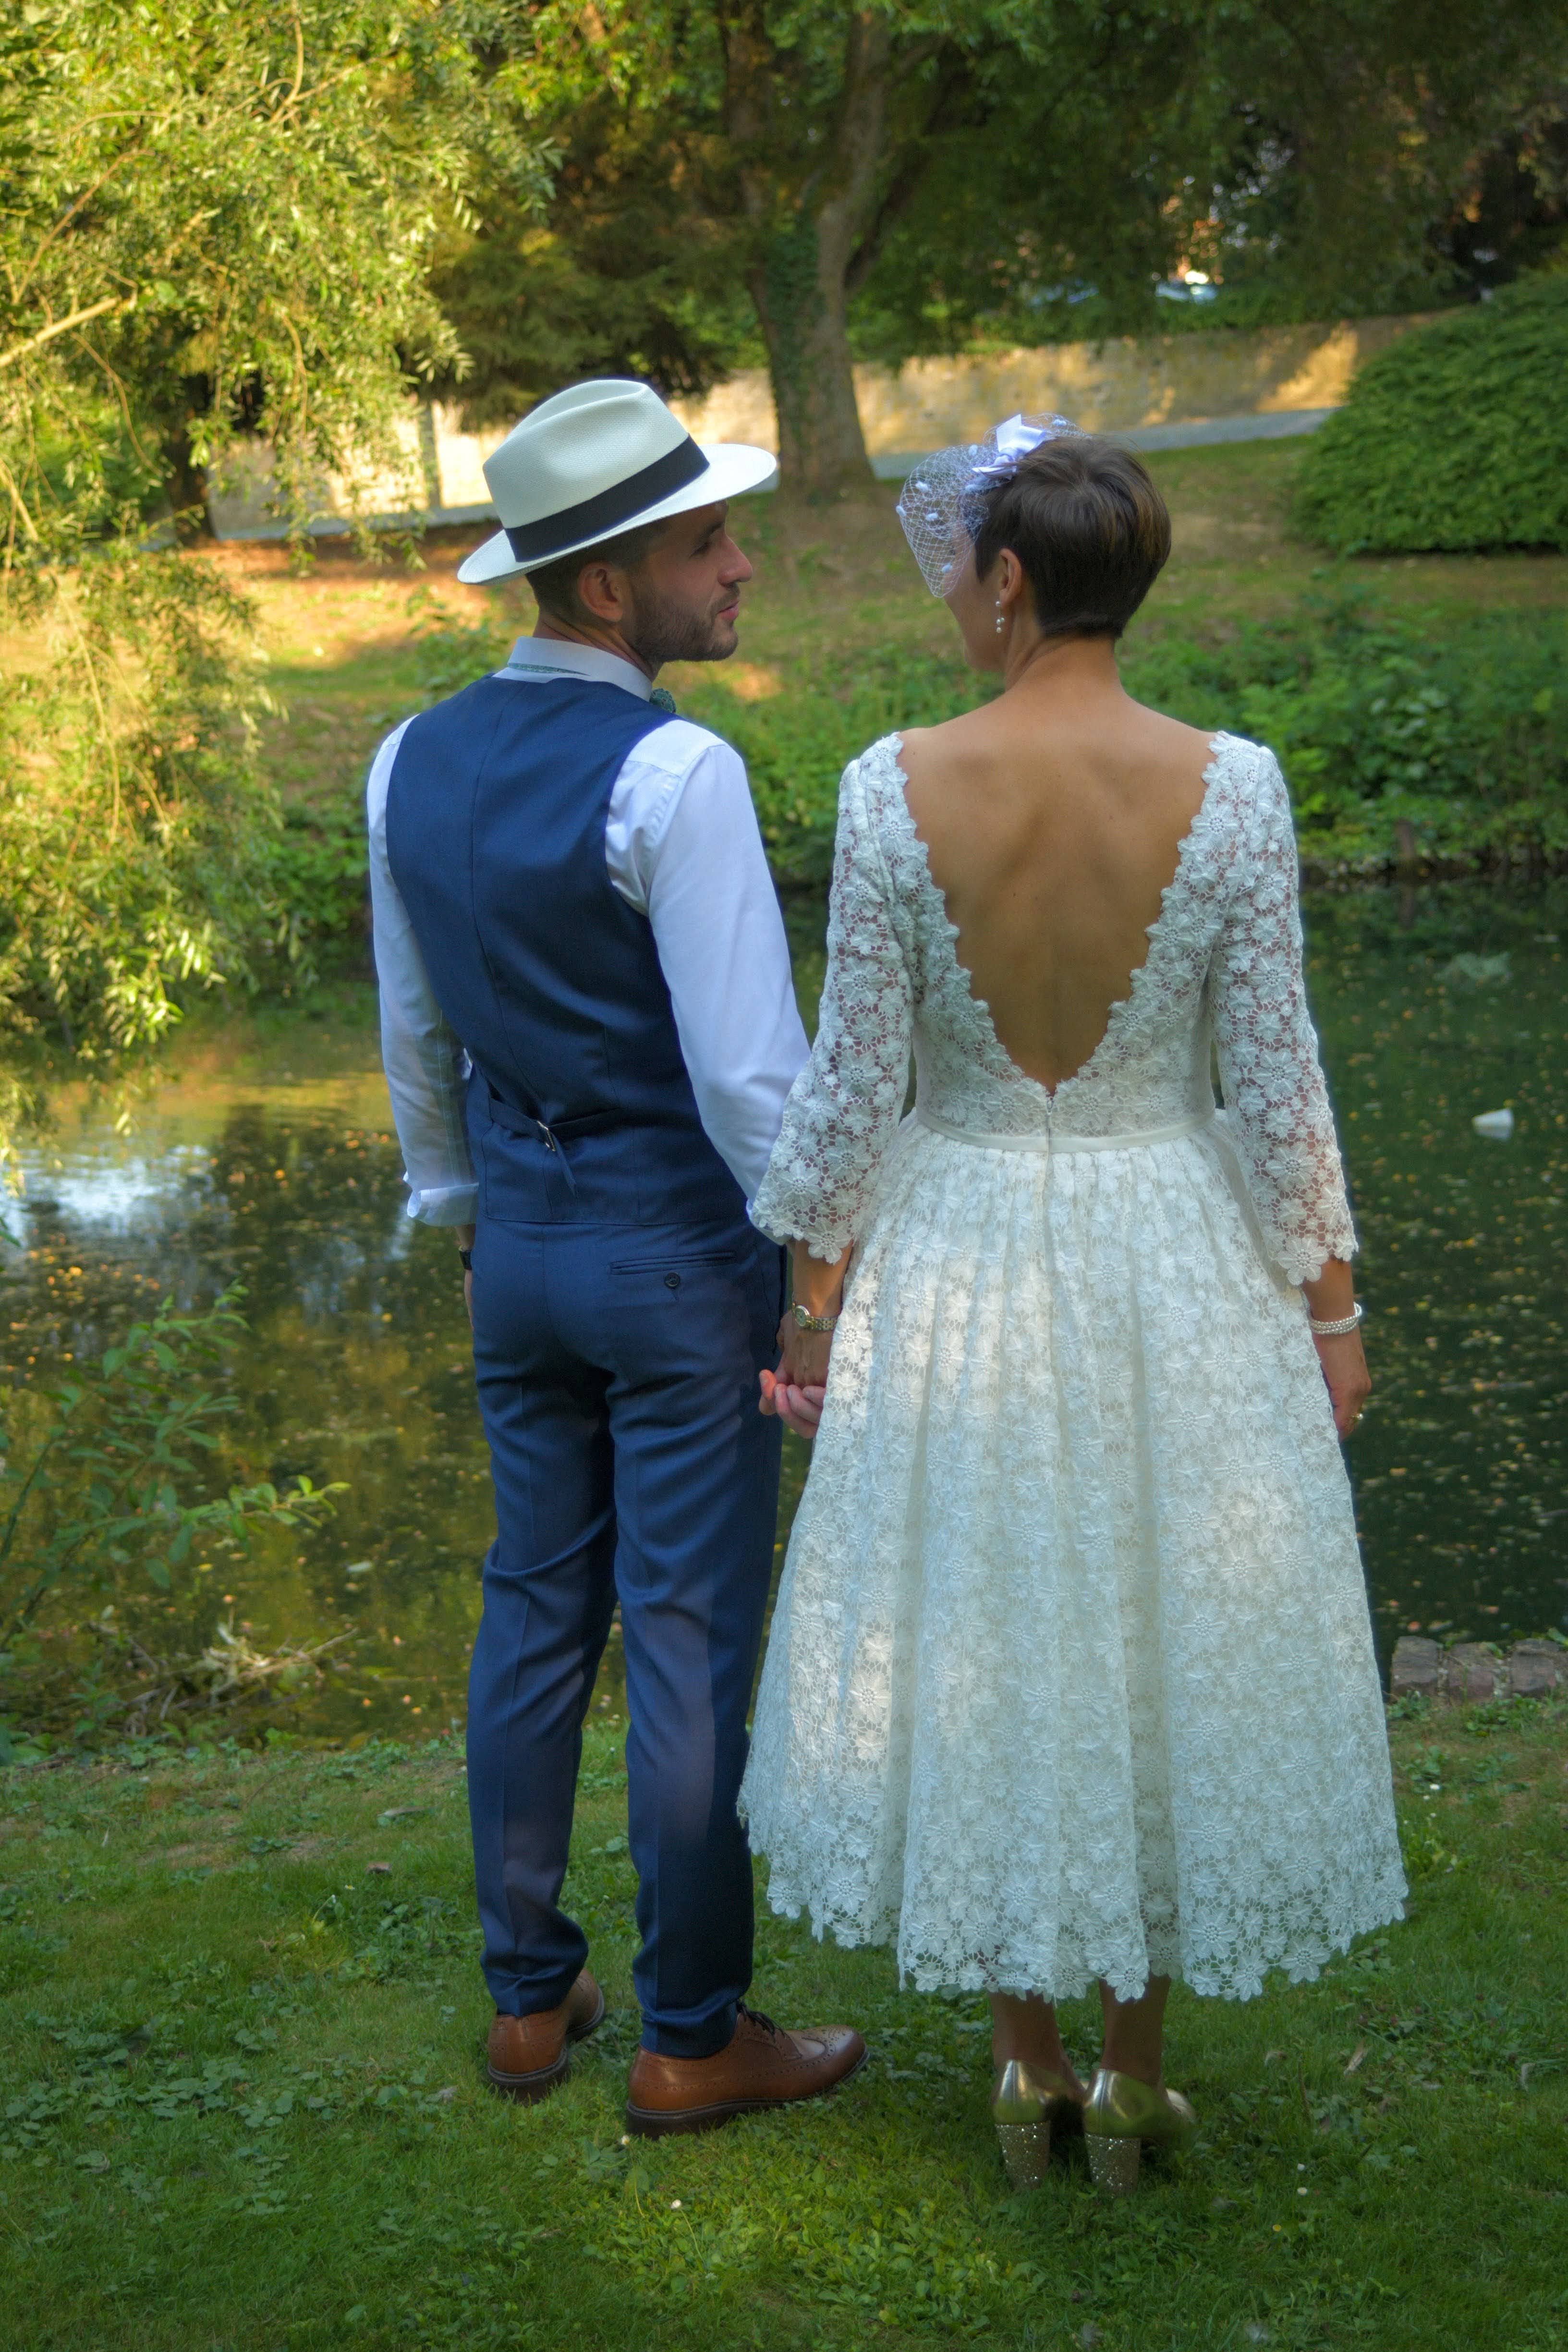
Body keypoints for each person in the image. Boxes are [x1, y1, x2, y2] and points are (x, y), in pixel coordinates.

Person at [743, 417, 1406, 2195]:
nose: (956, 594)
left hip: (953, 1244)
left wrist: (809, 1309)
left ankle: (1018, 2056)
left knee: (1000, 1623)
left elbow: (848, 1090)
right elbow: (1277, 1087)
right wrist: (1328, 1312)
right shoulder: (1238, 785)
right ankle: (1131, 2070)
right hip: (1170, 1250)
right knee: (1153, 1628)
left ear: (1014, 578)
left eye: (967, 565)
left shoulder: (891, 784)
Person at [367, 378, 865, 2138]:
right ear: (600, 588)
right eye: (704, 543)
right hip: (671, 1260)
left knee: (528, 1611)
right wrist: (830, 1258)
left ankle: (525, 2003)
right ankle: (688, 2030)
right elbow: (750, 1081)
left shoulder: (404, 759)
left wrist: (462, 1204)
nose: (741, 566)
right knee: (682, 1640)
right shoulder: (676, 768)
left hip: (518, 1247)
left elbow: (416, 1033)